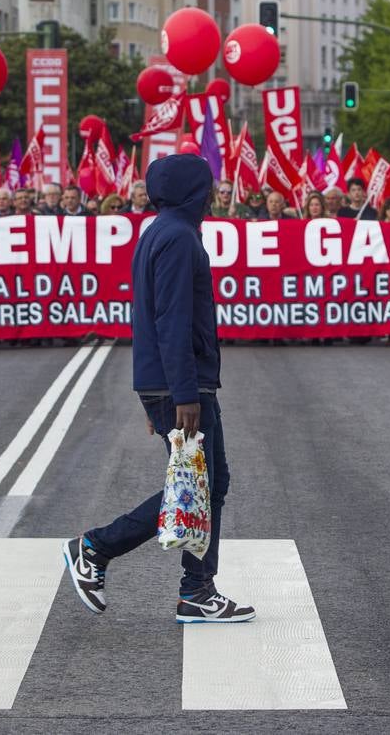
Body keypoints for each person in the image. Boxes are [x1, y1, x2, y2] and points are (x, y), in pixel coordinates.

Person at [62, 153, 253, 624]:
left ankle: (196, 590)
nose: (213, 195)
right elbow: (170, 321)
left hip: (168, 383)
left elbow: (152, 317)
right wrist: (182, 392)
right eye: (207, 187)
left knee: (206, 483)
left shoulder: (159, 232)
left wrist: (157, 390)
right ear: (191, 190)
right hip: (182, 386)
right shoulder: (178, 238)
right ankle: (97, 548)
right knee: (197, 485)